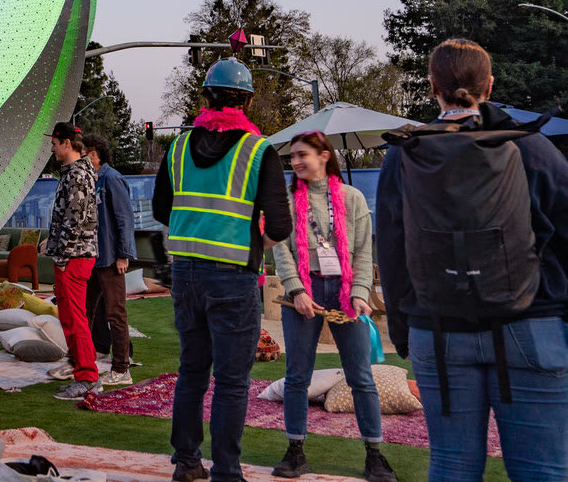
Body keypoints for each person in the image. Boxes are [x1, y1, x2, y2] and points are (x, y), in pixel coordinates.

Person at [376, 38, 568, 482]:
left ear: (432, 86)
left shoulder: (405, 153)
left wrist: (404, 332)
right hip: (531, 323)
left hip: (437, 330)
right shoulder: (531, 147)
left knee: (451, 466)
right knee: (542, 470)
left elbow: (392, 251)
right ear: (490, 84)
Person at [152, 59, 292, 482]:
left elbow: (161, 209)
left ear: (206, 97)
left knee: (192, 372)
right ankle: (227, 472)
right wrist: (249, 243)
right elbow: (280, 226)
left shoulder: (178, 148)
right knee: (231, 381)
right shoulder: (259, 150)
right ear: (246, 102)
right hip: (233, 277)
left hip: (186, 276)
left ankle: (186, 463)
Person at [271, 132, 393, 482]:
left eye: (302, 155)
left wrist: (360, 292)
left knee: (361, 377)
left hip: (345, 291)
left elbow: (364, 251)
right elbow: (280, 249)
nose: (295, 162)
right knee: (297, 376)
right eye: (292, 156)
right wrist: (296, 290)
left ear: (324, 156)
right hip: (303, 292)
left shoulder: (353, 198)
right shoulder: (287, 201)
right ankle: (295, 451)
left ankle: (375, 455)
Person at [43, 120, 102, 399]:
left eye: (54, 143)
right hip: (74, 255)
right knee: (71, 318)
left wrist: (62, 253)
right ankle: (84, 372)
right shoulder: (78, 172)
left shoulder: (76, 175)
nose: (52, 149)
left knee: (75, 319)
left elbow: (74, 220)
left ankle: (87, 377)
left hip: (74, 258)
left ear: (67, 144)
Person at [84, 133, 136, 388]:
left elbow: (125, 218)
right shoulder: (91, 179)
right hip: (92, 257)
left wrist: (123, 254)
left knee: (115, 313)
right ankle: (81, 361)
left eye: (83, 154)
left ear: (93, 154)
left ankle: (121, 368)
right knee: (85, 311)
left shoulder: (112, 179)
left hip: (110, 257)